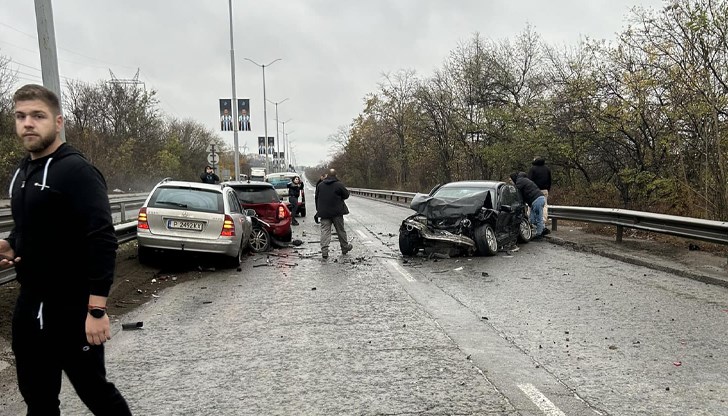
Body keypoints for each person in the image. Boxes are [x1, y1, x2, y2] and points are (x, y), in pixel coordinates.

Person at [0, 84, 131, 415]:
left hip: (73, 308)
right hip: (29, 306)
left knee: (96, 394)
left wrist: (97, 310)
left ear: (58, 122)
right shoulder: (19, 173)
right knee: (38, 400)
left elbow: (102, 239)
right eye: (21, 116)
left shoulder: (77, 171)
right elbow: (29, 225)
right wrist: (11, 244)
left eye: (38, 116)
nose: (28, 123)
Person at [315, 169, 353, 258]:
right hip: (337, 212)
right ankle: (344, 247)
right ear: (336, 175)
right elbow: (346, 195)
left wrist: (318, 210)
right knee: (340, 230)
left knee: (325, 231)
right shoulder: (339, 185)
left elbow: (317, 197)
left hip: (324, 213)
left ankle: (324, 251)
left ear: (327, 175)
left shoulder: (320, 185)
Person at [510, 171, 546, 240]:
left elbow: (517, 194)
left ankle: (539, 234)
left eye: (511, 180)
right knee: (532, 219)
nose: (511, 182)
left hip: (536, 200)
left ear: (514, 178)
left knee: (538, 218)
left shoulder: (519, 182)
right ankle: (542, 229)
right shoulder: (523, 179)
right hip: (537, 199)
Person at [528, 156, 552, 234]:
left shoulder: (533, 169)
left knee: (532, 207)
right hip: (544, 190)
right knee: (544, 207)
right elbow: (550, 180)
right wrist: (547, 189)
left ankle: (532, 223)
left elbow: (529, 181)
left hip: (535, 191)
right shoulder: (547, 169)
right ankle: (543, 221)